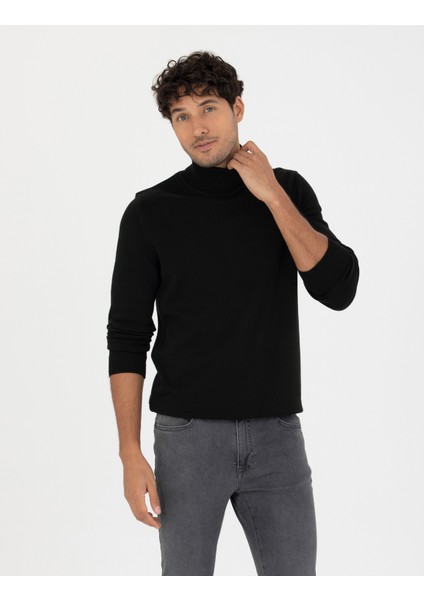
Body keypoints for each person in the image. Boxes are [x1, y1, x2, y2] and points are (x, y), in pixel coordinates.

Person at [106, 50, 360, 576]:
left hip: (277, 436)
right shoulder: (149, 212)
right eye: (181, 116)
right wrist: (130, 452)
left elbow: (338, 288)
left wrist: (271, 195)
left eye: (208, 108)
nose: (197, 128)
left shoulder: (286, 189)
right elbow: (127, 336)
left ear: (237, 108)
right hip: (187, 439)